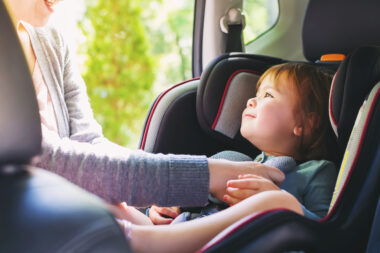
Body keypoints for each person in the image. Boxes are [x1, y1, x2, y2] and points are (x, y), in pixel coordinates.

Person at [4, 0, 284, 208]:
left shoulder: (52, 42)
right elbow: (46, 161)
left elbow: (88, 143)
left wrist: (154, 198)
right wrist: (207, 174)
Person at [112, 62, 338, 252]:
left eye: (268, 95)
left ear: (306, 123)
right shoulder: (235, 162)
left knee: (279, 202)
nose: (251, 100)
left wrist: (277, 203)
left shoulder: (317, 171)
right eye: (255, 94)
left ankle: (141, 240)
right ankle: (126, 231)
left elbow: (322, 235)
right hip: (183, 233)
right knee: (112, 206)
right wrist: (163, 210)